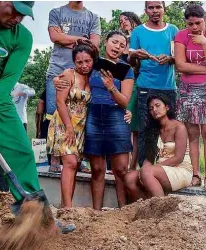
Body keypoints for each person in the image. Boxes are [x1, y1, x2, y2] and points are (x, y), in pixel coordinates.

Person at [0, 1, 74, 245]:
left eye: (23, 14)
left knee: (22, 152)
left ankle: (38, 219)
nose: (17, 18)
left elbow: (9, 79)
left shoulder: (22, 37)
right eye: (14, 11)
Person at [174, 4, 206, 192]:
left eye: (198, 23)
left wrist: (204, 43)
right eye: (190, 24)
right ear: (185, 23)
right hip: (188, 89)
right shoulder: (180, 36)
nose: (194, 27)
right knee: (193, 134)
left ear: (205, 20)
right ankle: (195, 174)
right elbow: (180, 65)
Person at [46, 1, 100, 173]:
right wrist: (79, 40)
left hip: (84, 72)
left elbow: (94, 45)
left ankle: (78, 156)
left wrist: (67, 40)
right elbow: (55, 37)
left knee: (80, 115)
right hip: (58, 69)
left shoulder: (93, 17)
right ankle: (55, 156)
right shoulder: (56, 12)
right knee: (53, 112)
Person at [83, 31, 134, 209]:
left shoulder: (126, 70)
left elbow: (125, 101)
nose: (117, 47)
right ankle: (96, 213)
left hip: (116, 117)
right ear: (106, 42)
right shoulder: (93, 63)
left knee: (120, 170)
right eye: (114, 42)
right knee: (97, 169)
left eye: (122, 45)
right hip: (94, 116)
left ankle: (123, 211)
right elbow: (77, 78)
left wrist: (112, 87)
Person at [47, 41, 98, 208]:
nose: (84, 65)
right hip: (64, 122)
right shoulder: (69, 74)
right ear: (74, 62)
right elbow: (60, 102)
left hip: (81, 126)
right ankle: (68, 208)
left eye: (87, 61)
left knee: (74, 164)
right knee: (70, 163)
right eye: (79, 62)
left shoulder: (93, 76)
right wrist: (68, 127)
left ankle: (64, 205)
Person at [129, 1, 179, 167]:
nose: (155, 11)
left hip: (168, 87)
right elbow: (131, 63)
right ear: (145, 10)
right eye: (151, 7)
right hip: (145, 86)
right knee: (145, 130)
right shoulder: (137, 32)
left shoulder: (173, 30)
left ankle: (168, 167)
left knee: (170, 129)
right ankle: (145, 169)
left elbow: (179, 59)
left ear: (164, 9)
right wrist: (136, 55)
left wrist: (171, 59)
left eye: (158, 7)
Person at [124, 94, 192, 202]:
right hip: (159, 169)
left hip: (180, 169)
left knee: (146, 172)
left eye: (157, 105)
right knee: (130, 178)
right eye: (151, 109)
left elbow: (178, 158)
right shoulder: (152, 130)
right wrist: (144, 169)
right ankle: (145, 210)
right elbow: (149, 158)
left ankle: (160, 210)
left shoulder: (179, 127)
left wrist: (150, 169)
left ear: (167, 107)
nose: (154, 110)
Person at [119, 11, 142, 170]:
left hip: (139, 83)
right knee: (124, 126)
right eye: (120, 21)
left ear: (134, 19)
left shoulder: (141, 35)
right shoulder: (121, 41)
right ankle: (124, 165)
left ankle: (133, 166)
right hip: (123, 85)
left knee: (136, 129)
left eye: (126, 19)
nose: (123, 22)